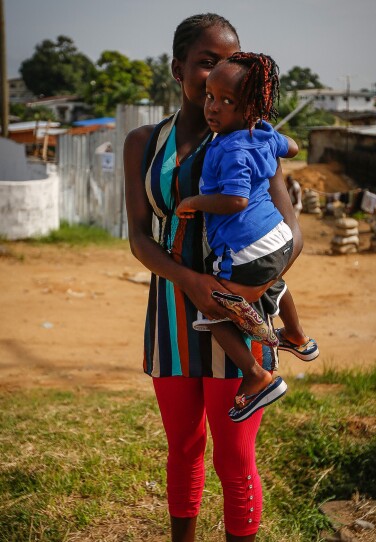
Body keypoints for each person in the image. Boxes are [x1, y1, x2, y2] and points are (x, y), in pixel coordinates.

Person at [123, 13, 304, 541]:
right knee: (182, 447)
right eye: (206, 63)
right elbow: (139, 238)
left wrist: (243, 292)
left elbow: (294, 233)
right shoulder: (143, 143)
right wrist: (190, 280)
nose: (218, 75)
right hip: (171, 320)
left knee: (234, 456)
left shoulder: (252, 140)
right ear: (177, 69)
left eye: (228, 62)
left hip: (237, 314)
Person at [173, 51, 313, 422]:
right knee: (272, 280)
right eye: (210, 96)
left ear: (249, 107)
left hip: (248, 249)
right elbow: (294, 147)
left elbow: (235, 200)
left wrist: (194, 201)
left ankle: (256, 378)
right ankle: (298, 337)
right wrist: (271, 135)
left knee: (214, 309)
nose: (213, 108)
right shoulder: (262, 133)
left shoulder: (232, 147)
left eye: (227, 101)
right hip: (280, 238)